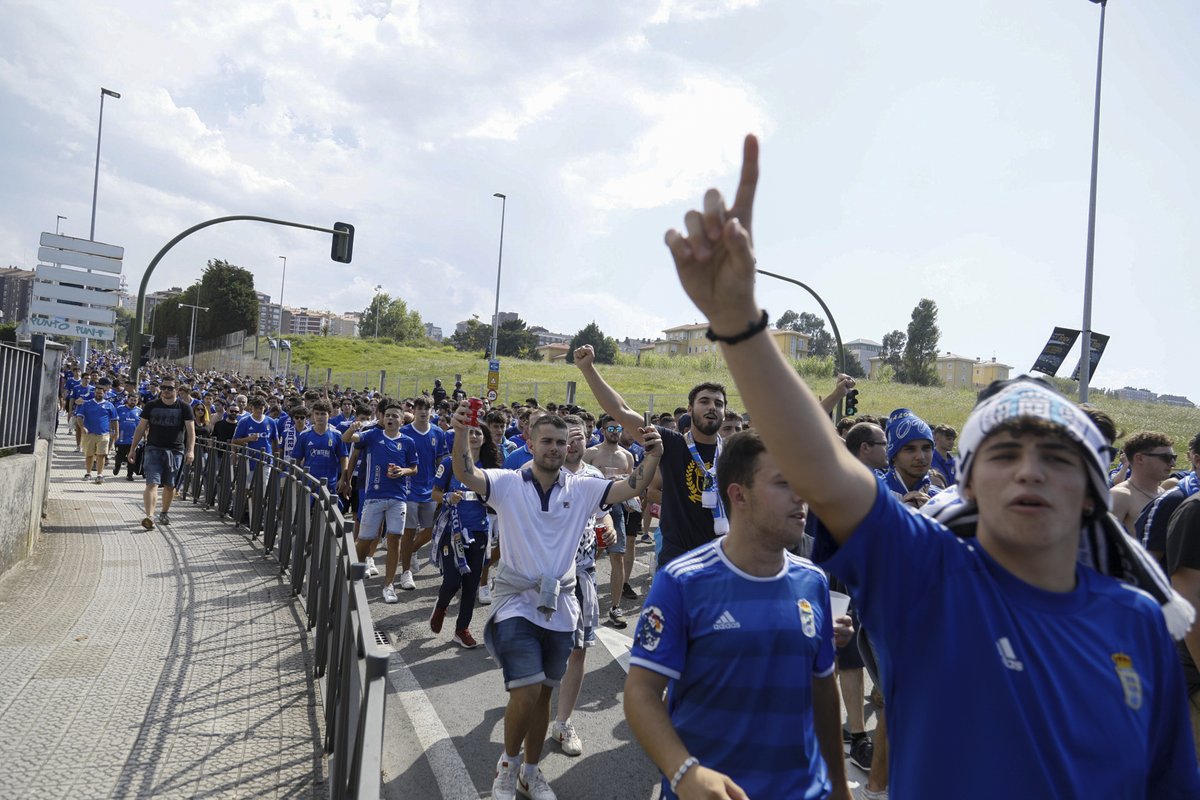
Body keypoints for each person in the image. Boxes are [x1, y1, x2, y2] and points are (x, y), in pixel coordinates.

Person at [662, 133, 1199, 798]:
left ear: (1093, 493)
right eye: (1005, 454)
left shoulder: (1138, 623)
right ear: (968, 480)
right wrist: (740, 324)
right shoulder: (930, 577)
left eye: (1057, 459)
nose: (1030, 472)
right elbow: (825, 469)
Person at [449, 404, 662, 800]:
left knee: (546, 692)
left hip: (561, 604)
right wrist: (462, 432)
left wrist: (652, 454)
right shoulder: (508, 483)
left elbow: (632, 487)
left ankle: (530, 771)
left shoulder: (582, 488)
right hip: (515, 601)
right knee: (527, 688)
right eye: (546, 440)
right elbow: (466, 473)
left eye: (561, 442)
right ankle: (508, 766)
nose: (555, 448)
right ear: (529, 442)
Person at [626, 430, 851, 800]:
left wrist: (841, 788)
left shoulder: (813, 581)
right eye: (783, 483)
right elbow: (641, 691)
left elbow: (823, 687)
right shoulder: (682, 581)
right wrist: (685, 772)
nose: (802, 497)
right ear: (738, 495)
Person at [576, 344, 851, 568]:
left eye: (718, 404)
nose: (712, 408)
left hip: (725, 557)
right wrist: (588, 369)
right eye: (704, 401)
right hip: (679, 557)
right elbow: (621, 410)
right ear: (690, 409)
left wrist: (837, 394)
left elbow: (796, 433)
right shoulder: (670, 443)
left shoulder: (734, 450)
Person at [550, 414, 616, 758]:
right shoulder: (543, 475)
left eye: (581, 436)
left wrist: (608, 523)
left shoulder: (594, 476)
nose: (575, 442)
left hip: (584, 574)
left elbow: (602, 508)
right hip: (547, 578)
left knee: (579, 650)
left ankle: (562, 722)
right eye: (569, 437)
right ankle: (531, 708)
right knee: (546, 651)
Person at [428, 423, 504, 649]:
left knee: (472, 584)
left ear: (485, 438)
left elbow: (499, 498)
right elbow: (434, 494)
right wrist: (449, 496)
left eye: (478, 433)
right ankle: (441, 605)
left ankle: (461, 630)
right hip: (453, 531)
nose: (473, 436)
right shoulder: (450, 463)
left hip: (479, 531)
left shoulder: (490, 469)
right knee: (452, 581)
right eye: (469, 432)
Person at [339, 402, 418, 603]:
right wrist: (352, 428)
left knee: (394, 539)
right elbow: (346, 439)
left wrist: (403, 471)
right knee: (365, 539)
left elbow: (414, 468)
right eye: (388, 415)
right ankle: (350, 578)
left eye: (395, 416)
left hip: (398, 498)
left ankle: (389, 585)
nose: (391, 419)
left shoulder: (408, 441)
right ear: (382, 418)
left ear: (402, 420)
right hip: (373, 497)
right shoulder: (372, 435)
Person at [583, 415, 636, 627]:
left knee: (618, 556)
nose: (615, 431)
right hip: (591, 509)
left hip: (616, 510)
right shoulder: (591, 453)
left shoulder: (628, 456)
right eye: (611, 427)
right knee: (589, 556)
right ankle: (585, 599)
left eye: (618, 427)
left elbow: (632, 483)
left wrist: (631, 496)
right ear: (603, 429)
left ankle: (615, 607)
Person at [127, 379, 195, 529]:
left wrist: (190, 450)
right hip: (153, 449)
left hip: (175, 451)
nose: (166, 390)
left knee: (170, 486)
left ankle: (164, 512)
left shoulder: (185, 408)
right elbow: (140, 428)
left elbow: (191, 432)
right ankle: (150, 516)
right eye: (163, 387)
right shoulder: (151, 405)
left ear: (176, 389)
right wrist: (132, 449)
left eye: (169, 388)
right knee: (152, 483)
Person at [398, 396, 448, 591]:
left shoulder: (438, 433)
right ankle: (405, 573)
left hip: (430, 489)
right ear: (414, 410)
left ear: (431, 410)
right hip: (409, 488)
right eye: (419, 408)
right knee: (409, 531)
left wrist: (442, 485)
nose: (423, 411)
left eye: (426, 408)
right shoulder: (404, 432)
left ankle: (411, 551)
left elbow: (440, 461)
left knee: (431, 529)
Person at [1111, 431, 1177, 536]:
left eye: (1174, 457)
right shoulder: (1120, 496)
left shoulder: (1163, 493)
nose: (1173, 464)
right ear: (1140, 458)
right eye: (1166, 458)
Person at [76, 379, 118, 483]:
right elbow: (79, 417)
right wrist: (82, 427)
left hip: (104, 434)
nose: (99, 394)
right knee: (89, 454)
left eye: (101, 393)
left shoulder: (109, 405)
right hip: (89, 433)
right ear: (94, 393)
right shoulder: (87, 404)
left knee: (101, 454)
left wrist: (115, 432)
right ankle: (88, 473)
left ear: (104, 393)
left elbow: (114, 420)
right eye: (97, 392)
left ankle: (100, 474)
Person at [113, 394, 142, 481]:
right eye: (131, 400)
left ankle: (129, 474)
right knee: (119, 456)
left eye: (135, 400)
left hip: (133, 439)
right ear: (128, 399)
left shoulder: (140, 411)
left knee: (132, 457)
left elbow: (143, 425)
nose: (133, 402)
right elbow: (114, 421)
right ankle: (117, 466)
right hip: (121, 438)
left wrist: (144, 436)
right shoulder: (119, 408)